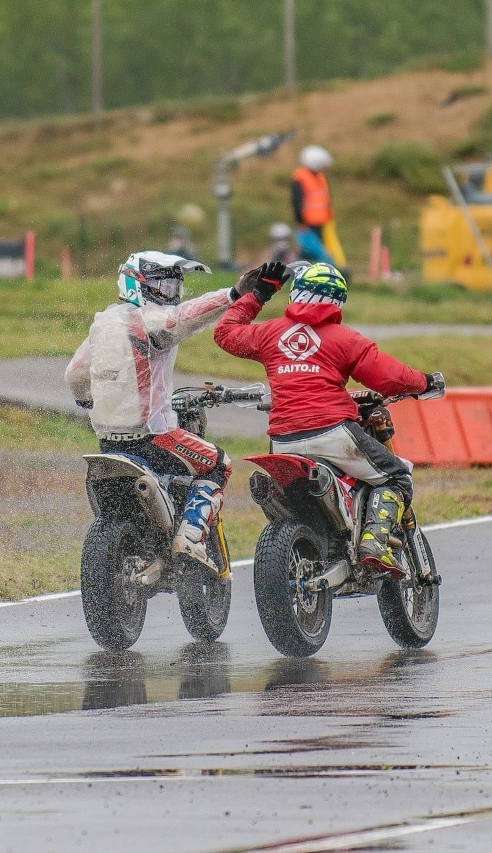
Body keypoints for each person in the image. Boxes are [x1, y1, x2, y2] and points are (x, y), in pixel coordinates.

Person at [213, 261, 444, 579]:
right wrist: (426, 383)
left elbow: (225, 333)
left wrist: (260, 292)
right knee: (396, 477)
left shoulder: (269, 333)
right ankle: (374, 543)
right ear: (338, 301)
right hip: (334, 432)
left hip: (282, 440)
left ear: (295, 295)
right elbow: (391, 378)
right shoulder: (346, 339)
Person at [65, 250, 259, 571]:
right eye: (161, 286)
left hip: (107, 442)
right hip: (154, 437)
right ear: (136, 283)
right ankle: (190, 537)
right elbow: (185, 316)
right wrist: (234, 294)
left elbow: (75, 373)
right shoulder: (149, 321)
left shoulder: (103, 323)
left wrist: (86, 401)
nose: (169, 295)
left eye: (173, 287)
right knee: (218, 464)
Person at [291, 145, 347, 270]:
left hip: (322, 222)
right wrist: (301, 222)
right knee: (315, 252)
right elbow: (297, 201)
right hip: (307, 224)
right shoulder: (301, 177)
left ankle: (308, 273)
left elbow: (325, 199)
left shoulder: (319, 177)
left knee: (309, 253)